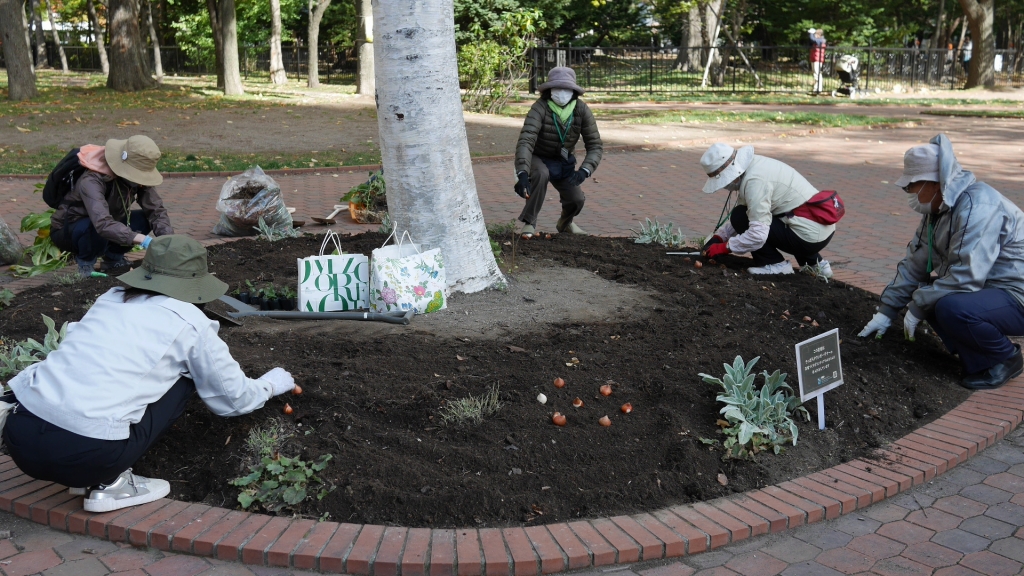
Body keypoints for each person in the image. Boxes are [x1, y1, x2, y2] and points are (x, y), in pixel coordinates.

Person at [1, 235, 298, 512]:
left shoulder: (111, 299)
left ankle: (84, 471)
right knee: (186, 378)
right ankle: (111, 483)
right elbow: (232, 400)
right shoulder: (191, 323)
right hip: (89, 455)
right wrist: (271, 385)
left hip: (21, 439)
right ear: (195, 283)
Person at [858, 135, 1024, 390]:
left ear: (934, 183)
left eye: (910, 186)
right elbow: (915, 262)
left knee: (950, 306)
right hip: (993, 289)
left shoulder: (978, 206)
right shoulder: (937, 210)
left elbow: (966, 278)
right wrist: (886, 312)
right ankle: (977, 356)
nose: (909, 194)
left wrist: (916, 307)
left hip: (1017, 295)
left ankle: (1005, 357)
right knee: (933, 297)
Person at [699, 143, 835, 277]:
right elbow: (751, 210)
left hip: (807, 237)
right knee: (753, 215)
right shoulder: (754, 167)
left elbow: (757, 235)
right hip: (819, 229)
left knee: (740, 217)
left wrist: (725, 247)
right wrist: (719, 237)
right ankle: (816, 264)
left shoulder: (754, 182)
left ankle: (776, 264)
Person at [49, 135, 173, 277]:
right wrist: (144, 240)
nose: (141, 181)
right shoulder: (91, 180)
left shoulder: (137, 180)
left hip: (107, 224)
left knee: (145, 219)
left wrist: (168, 241)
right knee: (94, 227)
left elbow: (156, 211)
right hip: (71, 230)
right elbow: (102, 223)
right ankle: (85, 264)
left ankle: (113, 259)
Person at [514, 66, 603, 238]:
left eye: (566, 89)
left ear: (573, 91)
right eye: (557, 88)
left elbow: (595, 145)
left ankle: (565, 223)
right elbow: (526, 140)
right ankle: (529, 223)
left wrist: (585, 171)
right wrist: (522, 172)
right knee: (541, 174)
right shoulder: (540, 108)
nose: (562, 93)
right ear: (549, 90)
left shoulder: (581, 110)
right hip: (538, 156)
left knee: (576, 199)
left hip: (563, 160)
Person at [808, 28, 827, 94]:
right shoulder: (817, 40)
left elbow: (813, 39)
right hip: (814, 59)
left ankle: (819, 88)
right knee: (815, 74)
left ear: (819, 34)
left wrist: (811, 33)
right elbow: (811, 41)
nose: (814, 35)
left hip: (818, 60)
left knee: (817, 74)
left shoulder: (821, 40)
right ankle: (816, 89)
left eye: (815, 34)